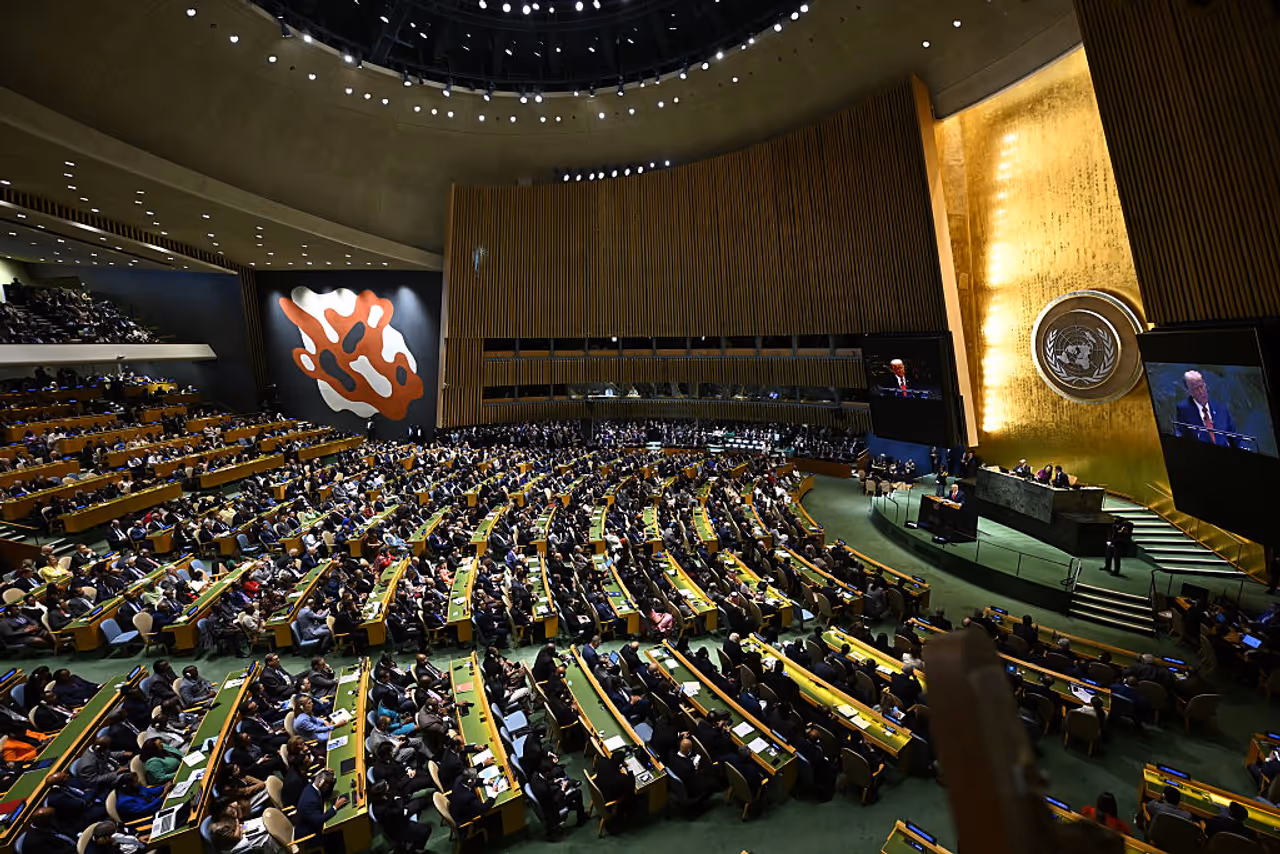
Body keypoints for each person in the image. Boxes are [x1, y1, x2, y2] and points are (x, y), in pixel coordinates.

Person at [1174, 370, 1238, 447]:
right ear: (1189, 392)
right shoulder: (1184, 410)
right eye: (1196, 389)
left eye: (1201, 386)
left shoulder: (1221, 409)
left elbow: (1235, 437)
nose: (1201, 392)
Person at [368, 779, 434, 849]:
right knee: (426, 830)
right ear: (382, 792)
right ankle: (416, 848)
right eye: (386, 785)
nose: (388, 785)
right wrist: (398, 801)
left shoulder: (380, 798)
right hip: (398, 828)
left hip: (399, 813)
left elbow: (398, 802)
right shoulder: (385, 810)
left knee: (420, 802)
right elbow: (400, 811)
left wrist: (399, 801)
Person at [294, 769, 349, 839]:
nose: (328, 787)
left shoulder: (310, 787)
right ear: (322, 783)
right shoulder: (311, 801)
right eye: (328, 785)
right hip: (309, 834)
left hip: (311, 820)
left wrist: (331, 778)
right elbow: (319, 820)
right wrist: (335, 807)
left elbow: (325, 793)